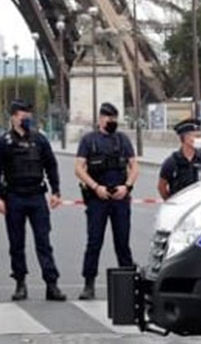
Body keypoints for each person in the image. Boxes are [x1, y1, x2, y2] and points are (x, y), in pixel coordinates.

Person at [0, 100, 67, 302]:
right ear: (14, 117)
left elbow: (51, 166)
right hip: (14, 196)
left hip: (36, 196)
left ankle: (51, 284)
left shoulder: (39, 140)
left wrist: (56, 191)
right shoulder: (4, 142)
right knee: (16, 244)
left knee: (44, 242)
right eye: (23, 115)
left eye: (29, 114)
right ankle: (20, 283)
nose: (27, 118)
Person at [74, 102, 139, 300]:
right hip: (98, 198)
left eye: (114, 118)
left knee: (122, 243)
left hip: (120, 197)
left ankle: (128, 285)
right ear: (101, 118)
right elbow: (79, 168)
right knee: (94, 242)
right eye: (109, 118)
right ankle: (89, 284)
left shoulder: (122, 140)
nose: (112, 121)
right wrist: (96, 187)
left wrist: (126, 187)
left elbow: (134, 167)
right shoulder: (89, 140)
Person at [158, 118, 201, 200]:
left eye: (200, 136)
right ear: (185, 138)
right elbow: (161, 186)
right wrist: (171, 201)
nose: (199, 139)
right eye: (196, 136)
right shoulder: (172, 162)